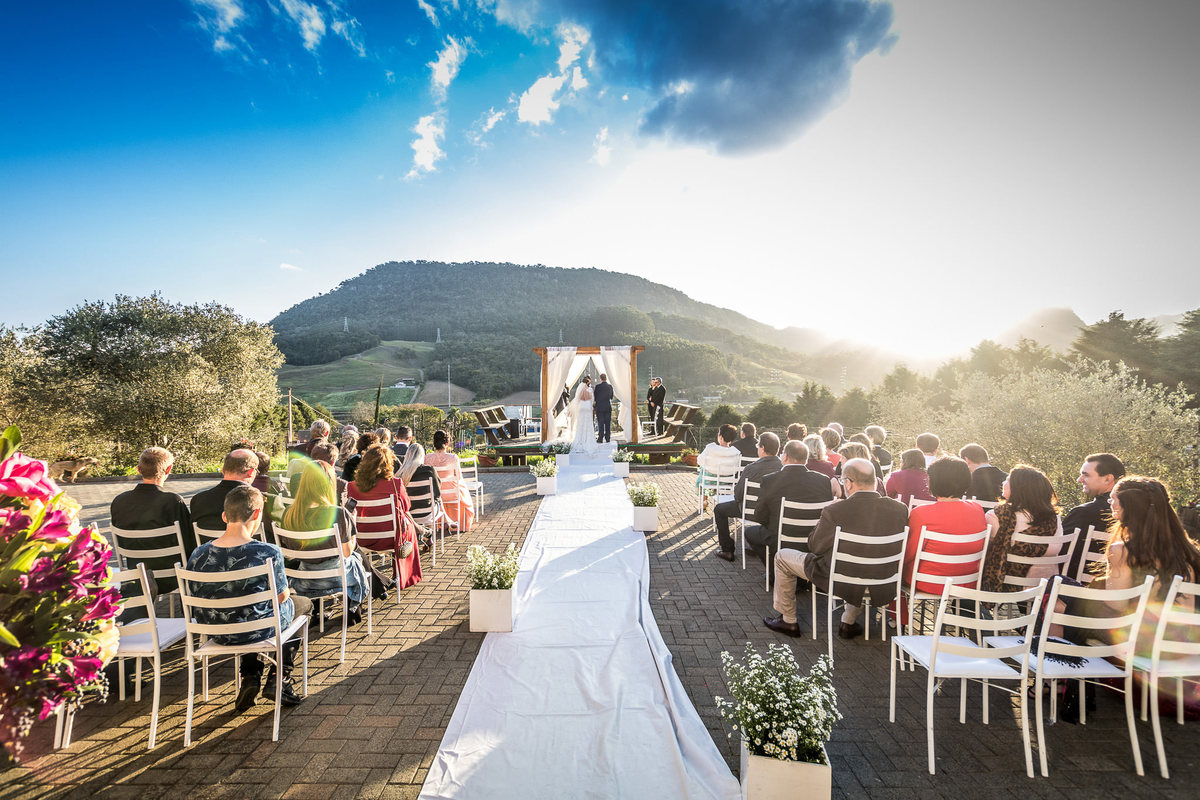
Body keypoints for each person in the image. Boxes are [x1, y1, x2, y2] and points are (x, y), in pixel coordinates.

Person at [184, 485, 312, 711]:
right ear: (256, 514)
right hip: (257, 629)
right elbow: (281, 598)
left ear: (224, 516)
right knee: (302, 604)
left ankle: (250, 677)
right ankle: (279, 678)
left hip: (216, 632)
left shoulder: (198, 554)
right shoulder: (267, 552)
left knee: (250, 611)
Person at [763, 458, 907, 639]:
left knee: (782, 557)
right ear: (876, 481)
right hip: (882, 576)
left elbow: (815, 546)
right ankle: (848, 622)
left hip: (839, 577)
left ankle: (788, 619)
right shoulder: (900, 509)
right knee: (862, 561)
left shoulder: (836, 510)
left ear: (848, 483)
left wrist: (822, 518)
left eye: (842, 481)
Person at [279, 461, 368, 621]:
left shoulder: (289, 514)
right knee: (357, 558)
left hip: (304, 578)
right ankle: (353, 611)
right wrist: (351, 525)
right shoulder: (339, 513)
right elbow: (347, 552)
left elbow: (290, 548)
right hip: (336, 578)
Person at [110, 446, 197, 594]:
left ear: (139, 469)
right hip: (172, 577)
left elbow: (122, 543)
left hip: (137, 575)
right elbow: (189, 542)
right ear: (168, 469)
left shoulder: (119, 501)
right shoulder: (173, 501)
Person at [902, 457, 987, 595]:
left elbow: (909, 553)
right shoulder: (977, 509)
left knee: (896, 573)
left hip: (928, 583)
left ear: (934, 482)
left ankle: (899, 617)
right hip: (966, 582)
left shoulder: (921, 513)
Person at [745, 440, 835, 565]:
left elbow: (759, 515)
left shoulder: (770, 480)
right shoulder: (823, 480)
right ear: (806, 458)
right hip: (812, 537)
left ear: (785, 456)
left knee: (749, 532)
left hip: (781, 537)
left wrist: (774, 525)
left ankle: (773, 570)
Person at [347, 444, 423, 589]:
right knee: (409, 525)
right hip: (391, 540)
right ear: (388, 463)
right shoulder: (395, 484)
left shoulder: (351, 486)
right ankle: (403, 576)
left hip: (361, 539)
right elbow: (406, 507)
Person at [979, 465, 1063, 592]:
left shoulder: (995, 516)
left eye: (1008, 480)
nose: (1003, 482)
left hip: (1005, 584)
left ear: (1019, 488)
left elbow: (983, 549)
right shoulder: (1054, 519)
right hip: (1045, 588)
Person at [712, 432, 783, 562]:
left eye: (758, 446)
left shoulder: (751, 468)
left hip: (750, 511)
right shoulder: (783, 468)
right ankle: (757, 545)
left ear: (762, 448)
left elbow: (738, 494)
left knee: (719, 509)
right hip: (775, 514)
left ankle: (727, 550)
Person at [1063, 453, 1126, 577]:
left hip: (1077, 589)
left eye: (1086, 475)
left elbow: (1059, 553)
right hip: (1118, 586)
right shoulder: (1135, 514)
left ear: (1108, 479)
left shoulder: (1083, 513)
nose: (1079, 479)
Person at [191, 448, 258, 531]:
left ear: (223, 470)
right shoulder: (259, 502)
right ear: (251, 472)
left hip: (208, 543)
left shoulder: (198, 500)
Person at [424, 429, 475, 532]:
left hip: (435, 494)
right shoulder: (453, 457)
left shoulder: (427, 457)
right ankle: (459, 522)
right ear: (447, 443)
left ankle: (440, 522)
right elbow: (459, 477)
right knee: (463, 490)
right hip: (452, 493)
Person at [399, 443, 442, 550]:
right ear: (422, 456)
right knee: (437, 500)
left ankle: (423, 536)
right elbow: (437, 493)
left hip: (408, 515)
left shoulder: (400, 474)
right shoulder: (429, 471)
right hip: (427, 513)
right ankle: (429, 535)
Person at [696, 424, 742, 512]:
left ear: (720, 437)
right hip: (726, 482)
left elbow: (699, 461)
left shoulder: (710, 448)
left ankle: (704, 500)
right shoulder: (736, 452)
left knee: (703, 469)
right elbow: (736, 468)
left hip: (709, 481)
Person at [567, 375, 600, 454]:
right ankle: (587, 439)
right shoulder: (589, 389)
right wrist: (591, 404)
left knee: (581, 423)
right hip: (587, 406)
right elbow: (590, 399)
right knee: (588, 423)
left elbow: (579, 398)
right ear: (588, 382)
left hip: (581, 406)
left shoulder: (580, 389)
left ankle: (580, 438)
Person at [593, 372, 615, 444]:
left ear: (600, 379)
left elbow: (595, 397)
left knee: (600, 423)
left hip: (599, 407)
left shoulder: (598, 387)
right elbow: (611, 397)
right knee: (607, 423)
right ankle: (608, 438)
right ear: (606, 378)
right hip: (607, 407)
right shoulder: (610, 386)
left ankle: (600, 438)